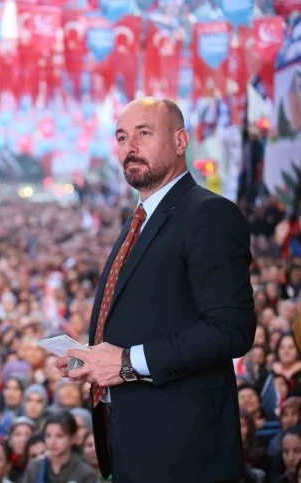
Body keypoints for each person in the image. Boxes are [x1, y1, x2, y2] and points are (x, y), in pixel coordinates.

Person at [57, 97, 256, 482]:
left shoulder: (209, 214)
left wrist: (127, 362)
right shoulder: (139, 220)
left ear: (181, 141)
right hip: (132, 443)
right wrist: (93, 360)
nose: (129, 147)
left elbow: (231, 330)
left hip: (185, 453)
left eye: (144, 133)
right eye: (121, 137)